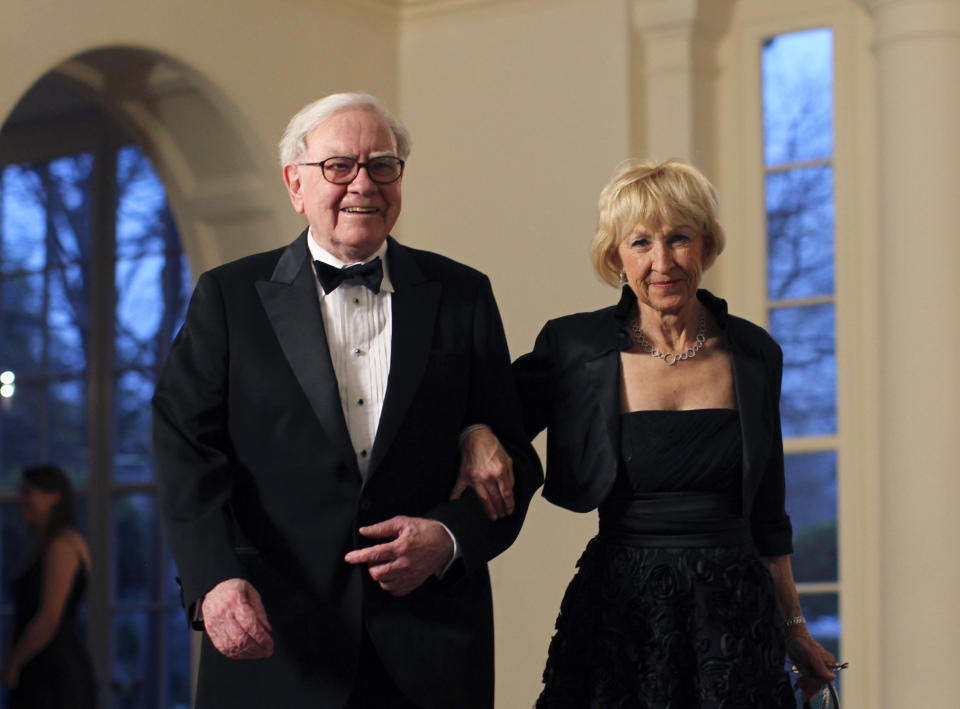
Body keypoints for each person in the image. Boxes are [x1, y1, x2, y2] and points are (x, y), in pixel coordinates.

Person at [152, 92, 541, 709]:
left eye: (382, 165)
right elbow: (182, 451)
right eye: (339, 166)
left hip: (431, 648)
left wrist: (448, 536)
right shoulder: (228, 298)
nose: (364, 183)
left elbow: (515, 458)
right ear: (295, 184)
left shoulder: (463, 294)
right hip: (277, 644)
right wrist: (215, 580)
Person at [460, 159, 838, 707]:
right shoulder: (574, 347)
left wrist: (795, 627)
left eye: (679, 238)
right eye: (640, 243)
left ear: (706, 246)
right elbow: (491, 414)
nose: (662, 262)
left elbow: (768, 514)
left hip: (734, 612)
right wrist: (475, 431)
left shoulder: (755, 354)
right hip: (622, 612)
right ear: (616, 256)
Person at [1, 464, 95, 709]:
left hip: (53, 673)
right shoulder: (48, 545)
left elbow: (49, 618)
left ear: (53, 497)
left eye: (27, 492)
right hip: (44, 667)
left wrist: (14, 662)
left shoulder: (63, 546)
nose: (20, 499)